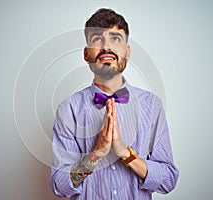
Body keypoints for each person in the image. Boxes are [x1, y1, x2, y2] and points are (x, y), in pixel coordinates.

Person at [49, 8, 179, 199]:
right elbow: (59, 185)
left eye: (115, 38)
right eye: (97, 38)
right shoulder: (68, 111)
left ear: (127, 52)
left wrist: (126, 154)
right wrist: (95, 156)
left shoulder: (152, 106)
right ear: (86, 54)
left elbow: (168, 180)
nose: (106, 47)